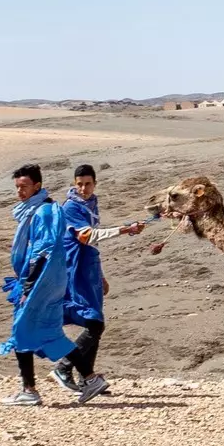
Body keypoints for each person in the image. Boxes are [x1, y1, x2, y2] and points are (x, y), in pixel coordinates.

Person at [56, 162, 145, 403]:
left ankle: (87, 376)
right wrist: (125, 230)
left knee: (96, 322)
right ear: (74, 185)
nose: (84, 188)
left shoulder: (91, 204)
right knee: (94, 321)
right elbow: (87, 236)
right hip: (77, 267)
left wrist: (102, 275)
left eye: (88, 184)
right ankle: (65, 366)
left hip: (90, 266)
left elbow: (93, 241)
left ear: (95, 184)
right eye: (80, 185)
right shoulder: (70, 207)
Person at [0, 163, 79, 406]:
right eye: (17, 187)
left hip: (38, 283)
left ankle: (29, 390)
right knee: (49, 332)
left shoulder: (42, 212)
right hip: (41, 281)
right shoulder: (35, 210)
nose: (20, 192)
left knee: (21, 331)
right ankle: (90, 377)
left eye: (24, 187)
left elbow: (42, 251)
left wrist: (28, 286)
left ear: (37, 186)